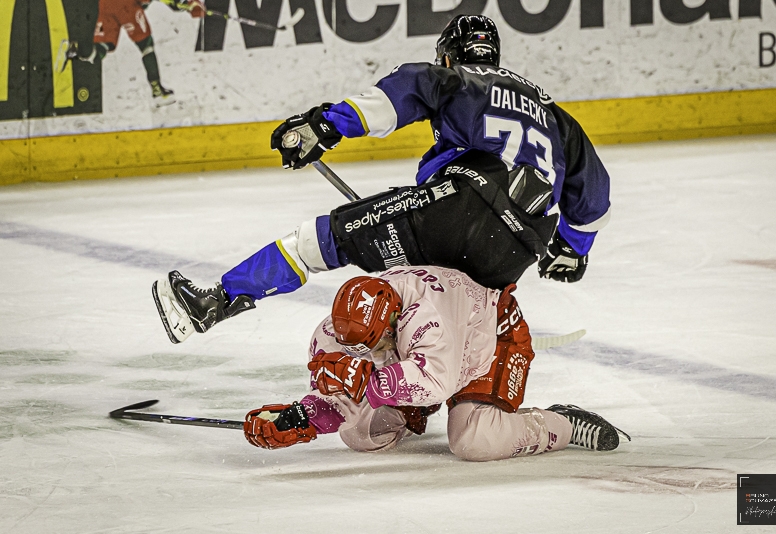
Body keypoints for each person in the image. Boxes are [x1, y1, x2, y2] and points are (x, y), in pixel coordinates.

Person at [152, 14, 611, 344]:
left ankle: (214, 301)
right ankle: (422, 398)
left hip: (460, 206)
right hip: (519, 249)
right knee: (441, 308)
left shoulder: (456, 80)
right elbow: (592, 193)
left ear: (449, 56)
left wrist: (324, 126)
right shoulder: (554, 114)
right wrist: (571, 250)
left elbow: (404, 91)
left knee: (320, 241)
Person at [240, 268, 629, 460]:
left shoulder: (428, 316)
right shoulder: (333, 332)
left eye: (372, 343)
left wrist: (370, 381)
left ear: (393, 318)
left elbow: (435, 381)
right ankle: (408, 418)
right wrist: (300, 418)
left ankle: (560, 422)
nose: (362, 352)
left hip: (490, 340)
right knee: (360, 435)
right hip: (425, 362)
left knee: (473, 441)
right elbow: (344, 398)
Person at [63, 0, 203, 106]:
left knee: (104, 45)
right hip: (127, 5)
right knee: (146, 45)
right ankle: (157, 91)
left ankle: (81, 50)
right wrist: (188, 5)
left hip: (105, 4)